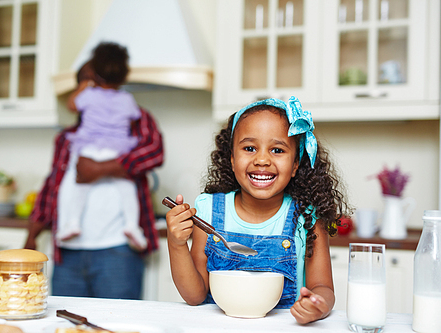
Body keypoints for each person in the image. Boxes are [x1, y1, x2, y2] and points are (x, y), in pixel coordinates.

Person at [165, 97, 351, 324]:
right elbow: (195, 295)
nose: (262, 160)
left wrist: (318, 305)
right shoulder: (208, 209)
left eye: (277, 150)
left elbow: (323, 288)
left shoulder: (307, 217)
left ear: (295, 165)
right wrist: (176, 244)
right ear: (232, 160)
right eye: (250, 148)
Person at [24, 59, 164, 299]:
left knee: (116, 324)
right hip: (66, 253)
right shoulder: (66, 139)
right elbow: (51, 188)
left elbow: (154, 152)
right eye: (92, 83)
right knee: (64, 323)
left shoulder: (134, 121)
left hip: (118, 251)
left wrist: (99, 168)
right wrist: (31, 236)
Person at [58, 42, 146, 251]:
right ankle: (132, 226)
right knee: (126, 188)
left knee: (81, 184)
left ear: (95, 73)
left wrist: (83, 86)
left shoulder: (88, 95)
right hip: (115, 149)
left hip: (88, 146)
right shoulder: (127, 99)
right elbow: (133, 120)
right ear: (124, 75)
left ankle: (73, 223)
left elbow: (71, 105)